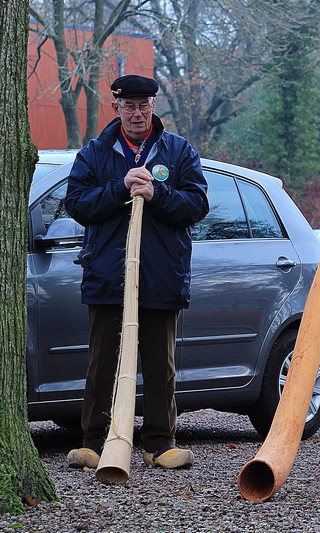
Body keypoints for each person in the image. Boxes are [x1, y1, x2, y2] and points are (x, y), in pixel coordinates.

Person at [64, 74, 209, 470]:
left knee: (160, 364)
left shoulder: (179, 151)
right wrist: (119, 187)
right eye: (129, 106)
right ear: (116, 108)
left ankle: (160, 443)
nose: (137, 113)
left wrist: (157, 194)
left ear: (154, 105)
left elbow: (197, 205)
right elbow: (76, 204)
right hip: (108, 276)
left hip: (161, 276)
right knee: (103, 364)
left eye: (144, 105)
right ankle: (96, 442)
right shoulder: (95, 153)